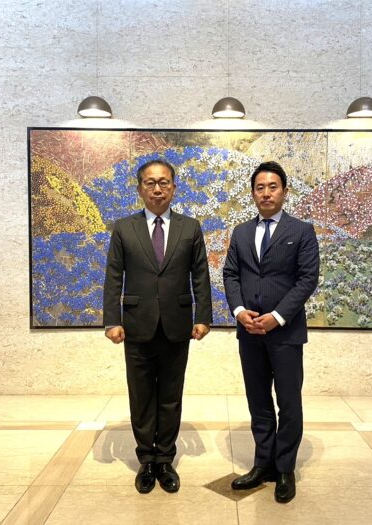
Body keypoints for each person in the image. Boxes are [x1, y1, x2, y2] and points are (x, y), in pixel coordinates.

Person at [103, 159, 213, 494]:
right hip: (136, 325)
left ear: (174, 188)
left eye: (164, 182)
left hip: (177, 326)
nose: (157, 189)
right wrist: (112, 320)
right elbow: (113, 276)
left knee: (169, 395)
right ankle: (146, 460)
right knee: (141, 397)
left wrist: (203, 316)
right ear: (140, 189)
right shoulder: (124, 228)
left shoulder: (190, 228)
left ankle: (164, 459)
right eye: (150, 183)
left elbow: (200, 275)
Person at [223, 161, 319, 503]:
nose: (266, 193)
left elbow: (307, 279)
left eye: (273, 186)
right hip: (249, 332)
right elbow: (230, 274)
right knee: (259, 401)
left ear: (285, 192)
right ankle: (263, 463)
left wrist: (277, 317)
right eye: (260, 187)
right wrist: (239, 312)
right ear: (253, 193)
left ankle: (285, 468)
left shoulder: (302, 231)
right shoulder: (241, 233)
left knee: (289, 402)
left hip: (286, 333)